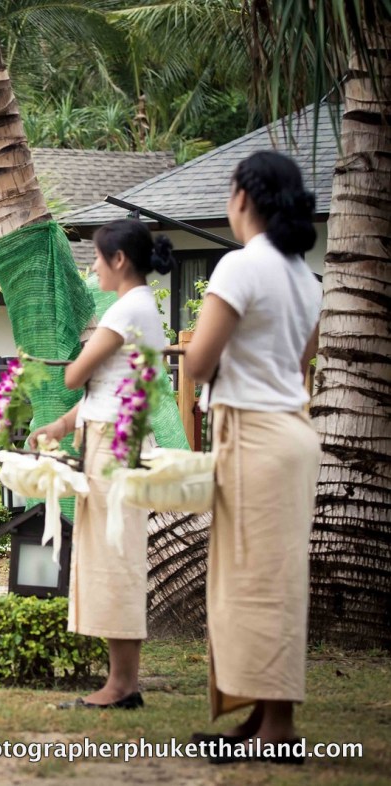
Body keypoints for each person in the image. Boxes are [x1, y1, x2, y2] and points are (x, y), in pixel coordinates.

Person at [184, 150, 321, 764]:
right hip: (290, 433)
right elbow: (299, 361)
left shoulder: (240, 266)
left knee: (259, 583)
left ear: (243, 197)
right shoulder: (306, 279)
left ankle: (277, 731)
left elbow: (198, 361)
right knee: (267, 579)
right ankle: (262, 715)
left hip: (255, 437)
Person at [29, 218, 174, 710]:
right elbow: (103, 390)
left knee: (115, 559)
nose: (93, 267)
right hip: (108, 436)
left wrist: (67, 367)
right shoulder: (137, 306)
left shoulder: (127, 309)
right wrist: (61, 425)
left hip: (115, 445)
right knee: (107, 557)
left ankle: (122, 685)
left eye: (96, 257)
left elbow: (74, 376)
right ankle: (120, 681)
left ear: (119, 260)